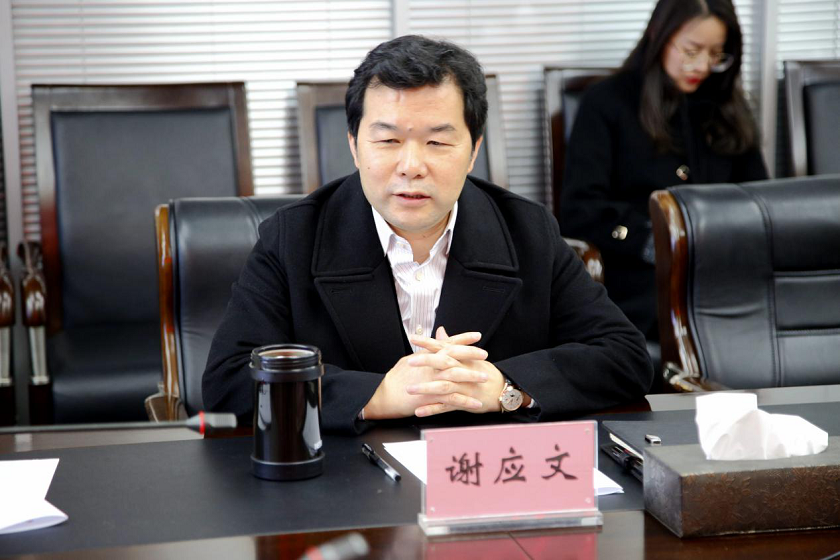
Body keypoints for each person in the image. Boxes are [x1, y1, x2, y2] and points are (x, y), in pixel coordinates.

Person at [203, 35, 652, 434]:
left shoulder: (527, 231)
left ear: (474, 151)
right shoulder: (293, 238)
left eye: (437, 142)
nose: (412, 166)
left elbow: (624, 356)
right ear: (354, 146)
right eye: (388, 140)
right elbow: (228, 381)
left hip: (481, 476)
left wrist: (505, 387)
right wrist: (376, 396)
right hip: (346, 484)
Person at [559, 0, 769, 342]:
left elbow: (759, 200)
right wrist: (656, 242)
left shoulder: (727, 105)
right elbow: (580, 211)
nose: (702, 65)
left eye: (716, 54)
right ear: (659, 35)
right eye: (692, 50)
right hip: (642, 278)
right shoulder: (607, 102)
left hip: (724, 270)